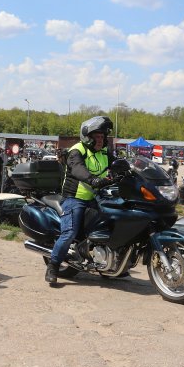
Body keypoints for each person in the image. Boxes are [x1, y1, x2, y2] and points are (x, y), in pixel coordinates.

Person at [45, 116, 115, 284]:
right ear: (87, 137)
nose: (100, 140)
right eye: (96, 136)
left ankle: (111, 263)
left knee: (113, 223)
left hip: (97, 198)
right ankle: (53, 266)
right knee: (70, 232)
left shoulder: (104, 152)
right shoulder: (77, 150)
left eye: (102, 136)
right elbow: (78, 169)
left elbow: (118, 166)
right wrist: (93, 179)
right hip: (75, 198)